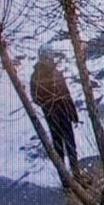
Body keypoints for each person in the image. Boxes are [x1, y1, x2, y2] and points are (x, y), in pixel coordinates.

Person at [31, 45, 80, 174]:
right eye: (48, 56)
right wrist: (49, 102)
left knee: (70, 144)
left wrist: (73, 113)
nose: (50, 59)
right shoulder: (36, 76)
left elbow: (66, 94)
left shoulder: (56, 73)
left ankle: (76, 173)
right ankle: (65, 176)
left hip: (63, 112)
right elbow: (35, 98)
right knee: (59, 145)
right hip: (52, 114)